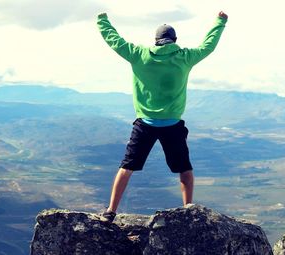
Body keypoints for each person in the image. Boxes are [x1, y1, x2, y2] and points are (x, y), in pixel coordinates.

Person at [97, 11, 228, 222]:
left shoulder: (139, 55)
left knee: (126, 167)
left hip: (144, 124)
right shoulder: (184, 57)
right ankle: (189, 212)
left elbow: (115, 41)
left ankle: (111, 211)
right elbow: (208, 46)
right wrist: (220, 22)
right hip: (173, 125)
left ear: (156, 41)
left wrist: (102, 20)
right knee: (184, 169)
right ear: (175, 41)